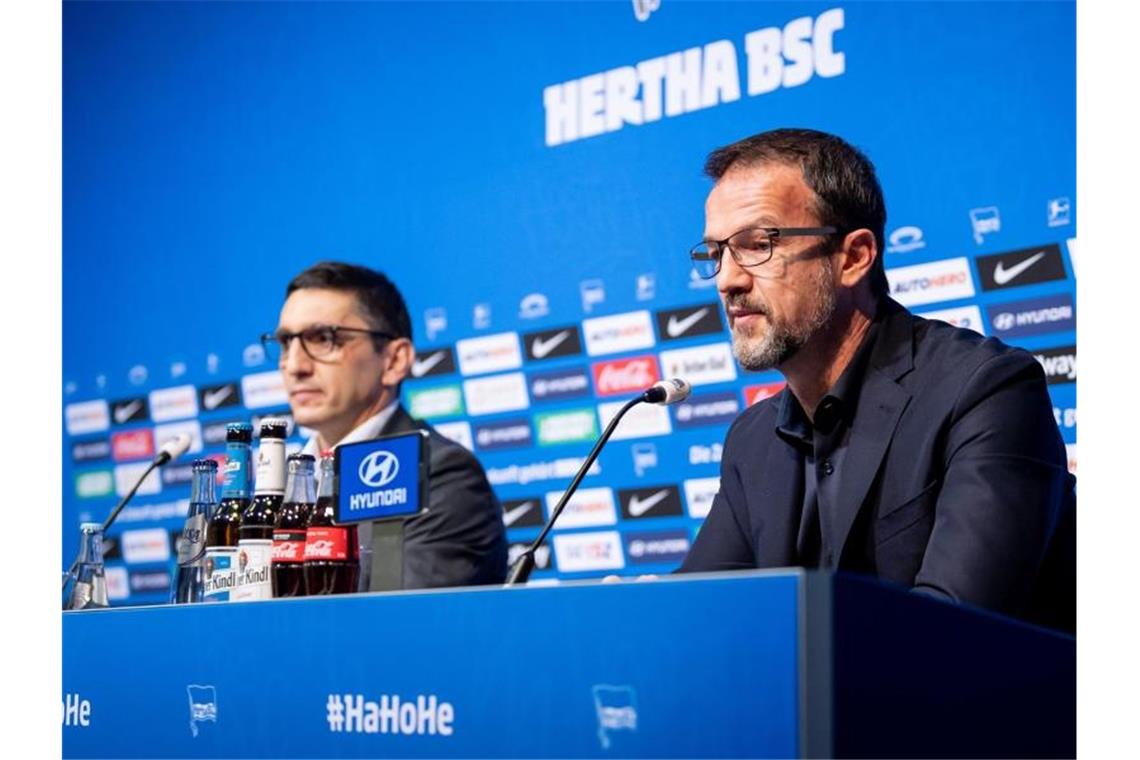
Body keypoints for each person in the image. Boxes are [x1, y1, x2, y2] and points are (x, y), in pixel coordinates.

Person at [677, 128, 1075, 632]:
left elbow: (957, 635)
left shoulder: (984, 390)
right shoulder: (750, 440)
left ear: (853, 257)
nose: (728, 280)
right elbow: (703, 619)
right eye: (716, 254)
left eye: (758, 245)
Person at [266, 261, 507, 589]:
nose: (294, 366)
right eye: (285, 343)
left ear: (394, 361)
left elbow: (400, 627)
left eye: (323, 338)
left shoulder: (440, 474)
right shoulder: (278, 489)